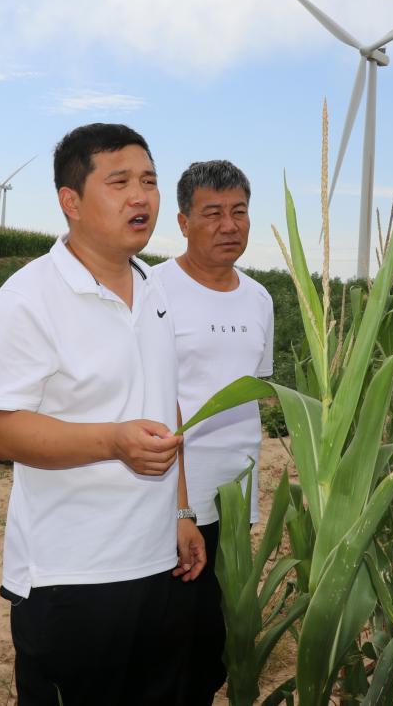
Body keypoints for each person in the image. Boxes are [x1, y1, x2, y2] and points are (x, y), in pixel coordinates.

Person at [0, 123, 205, 706]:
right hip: (71, 578)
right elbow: (4, 432)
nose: (142, 197)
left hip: (158, 565)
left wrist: (182, 509)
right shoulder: (26, 299)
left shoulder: (154, 288)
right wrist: (113, 442)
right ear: (70, 201)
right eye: (121, 182)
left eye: (150, 181)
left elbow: (166, 401)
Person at [154, 160, 275, 706]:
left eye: (240, 212)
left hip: (235, 496)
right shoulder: (153, 289)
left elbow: (252, 393)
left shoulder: (259, 299)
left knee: (213, 642)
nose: (230, 225)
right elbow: (155, 402)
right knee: (171, 637)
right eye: (213, 213)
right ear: (182, 221)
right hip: (173, 496)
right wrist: (180, 508)